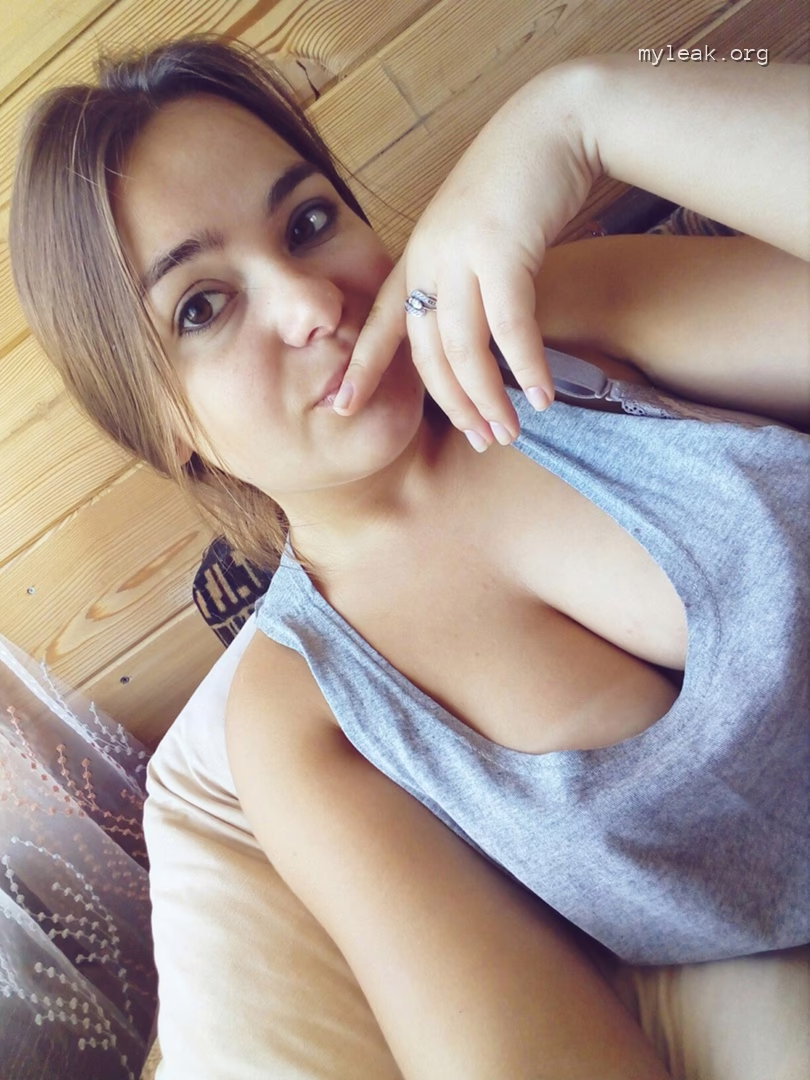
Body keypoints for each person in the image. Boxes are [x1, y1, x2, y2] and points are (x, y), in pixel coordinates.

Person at [9, 35, 809, 1079]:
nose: (313, 305)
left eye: (309, 222)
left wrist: (577, 114)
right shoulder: (306, 714)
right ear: (164, 427)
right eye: (202, 307)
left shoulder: (549, 322)